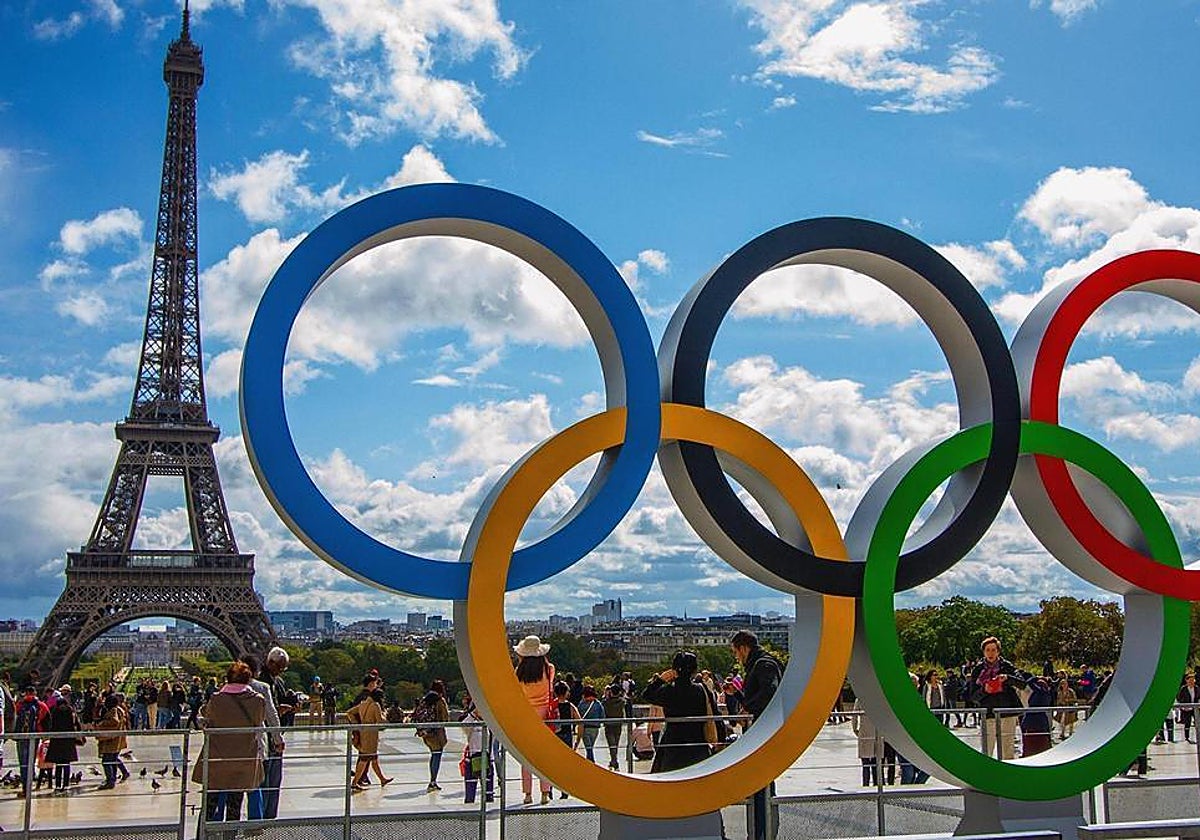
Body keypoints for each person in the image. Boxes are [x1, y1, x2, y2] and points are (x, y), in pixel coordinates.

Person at [193, 660, 266, 826]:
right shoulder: (257, 701)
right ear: (249, 679)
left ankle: (204, 836)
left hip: (217, 759)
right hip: (242, 760)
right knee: (235, 807)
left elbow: (207, 716)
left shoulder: (217, 699)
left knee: (209, 807)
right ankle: (230, 835)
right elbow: (258, 721)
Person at [731, 630, 782, 840]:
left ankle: (761, 833)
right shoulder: (762, 663)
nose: (736, 657)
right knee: (761, 787)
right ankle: (761, 832)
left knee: (761, 787)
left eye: (736, 652)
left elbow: (769, 692)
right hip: (762, 730)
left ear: (744, 648)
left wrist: (747, 709)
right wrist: (738, 696)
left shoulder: (763, 664)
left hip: (762, 733)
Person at [642, 650, 714, 773]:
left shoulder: (669, 691)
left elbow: (647, 695)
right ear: (694, 670)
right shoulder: (701, 690)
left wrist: (660, 680)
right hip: (697, 742)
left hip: (673, 743)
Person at [513, 634, 556, 804]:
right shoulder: (548, 669)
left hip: (526, 715)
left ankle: (527, 794)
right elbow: (550, 688)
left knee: (527, 758)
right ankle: (545, 792)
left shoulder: (519, 671)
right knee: (544, 757)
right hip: (545, 714)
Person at [970, 636, 1025, 761]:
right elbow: (972, 695)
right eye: (988, 650)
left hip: (1007, 712)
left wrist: (1008, 678)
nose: (991, 653)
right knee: (987, 750)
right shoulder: (978, 670)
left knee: (1008, 751)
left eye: (993, 650)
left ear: (998, 652)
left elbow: (1022, 683)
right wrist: (985, 690)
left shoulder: (1007, 666)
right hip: (988, 713)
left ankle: (1008, 777)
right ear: (983, 652)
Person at [242, 653, 283, 819]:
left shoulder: (223, 690)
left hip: (231, 745)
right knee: (257, 784)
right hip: (257, 744)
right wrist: (278, 739)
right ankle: (256, 822)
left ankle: (225, 825)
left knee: (231, 790)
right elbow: (272, 716)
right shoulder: (262, 688)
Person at [259, 646, 295, 819]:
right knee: (268, 780)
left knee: (272, 780)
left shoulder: (276, 681)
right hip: (268, 737)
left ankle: (268, 815)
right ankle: (265, 815)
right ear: (270, 662)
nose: (282, 671)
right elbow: (267, 712)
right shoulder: (262, 683)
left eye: (284, 668)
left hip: (274, 737)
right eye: (280, 667)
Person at [346, 687, 392, 790]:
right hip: (371, 734)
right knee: (364, 759)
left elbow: (349, 712)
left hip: (363, 732)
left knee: (373, 759)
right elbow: (380, 721)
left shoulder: (362, 703)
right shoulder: (375, 705)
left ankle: (382, 779)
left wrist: (357, 725)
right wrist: (387, 719)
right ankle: (354, 783)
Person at [12, 684, 48, 797]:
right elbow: (47, 720)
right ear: (35, 693)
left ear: (25, 693)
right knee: (31, 762)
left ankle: (24, 788)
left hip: (22, 737)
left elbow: (14, 718)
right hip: (34, 737)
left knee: (23, 763)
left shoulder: (20, 704)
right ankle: (29, 787)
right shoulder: (41, 705)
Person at [413, 687, 450, 793]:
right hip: (436, 734)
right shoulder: (439, 701)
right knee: (436, 756)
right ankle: (433, 781)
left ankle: (432, 780)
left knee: (433, 755)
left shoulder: (424, 700)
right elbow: (444, 718)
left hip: (426, 734)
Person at [460, 696, 495, 804]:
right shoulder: (471, 721)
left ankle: (487, 811)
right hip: (472, 758)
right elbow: (464, 726)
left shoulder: (490, 722)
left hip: (487, 759)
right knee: (470, 793)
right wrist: (473, 714)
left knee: (488, 794)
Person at [45, 684, 81, 792]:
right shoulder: (71, 711)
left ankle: (57, 785)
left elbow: (51, 725)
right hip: (68, 740)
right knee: (66, 764)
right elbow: (77, 725)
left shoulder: (55, 711)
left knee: (58, 764)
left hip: (57, 741)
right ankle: (66, 785)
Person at [552, 680, 582, 798]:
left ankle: (548, 789)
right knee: (565, 765)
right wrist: (578, 741)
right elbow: (580, 722)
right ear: (567, 693)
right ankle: (564, 792)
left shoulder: (552, 705)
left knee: (552, 764)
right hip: (567, 736)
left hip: (554, 736)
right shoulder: (570, 706)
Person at [94, 694, 124, 789]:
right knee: (112, 760)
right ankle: (112, 779)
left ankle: (110, 781)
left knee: (106, 761)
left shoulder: (113, 710)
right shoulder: (118, 709)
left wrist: (101, 724)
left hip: (110, 739)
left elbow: (115, 721)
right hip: (116, 739)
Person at [1021, 676, 1054, 756]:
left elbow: (1029, 681)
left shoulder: (1040, 691)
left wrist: (1036, 677)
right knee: (1042, 742)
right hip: (1042, 721)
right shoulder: (1048, 693)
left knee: (1032, 742)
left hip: (1032, 720)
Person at [852, 699, 881, 786]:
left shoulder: (860, 699)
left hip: (864, 733)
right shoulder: (877, 698)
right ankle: (877, 786)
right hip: (876, 734)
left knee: (865, 765)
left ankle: (866, 785)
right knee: (876, 764)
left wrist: (855, 729)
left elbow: (854, 716)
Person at [577, 685, 605, 763]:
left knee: (588, 748)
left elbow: (578, 715)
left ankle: (591, 762)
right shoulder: (597, 703)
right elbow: (602, 716)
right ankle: (590, 761)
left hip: (585, 727)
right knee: (590, 747)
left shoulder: (582, 703)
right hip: (595, 728)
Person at [601, 683, 625, 770]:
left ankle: (614, 761)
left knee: (611, 744)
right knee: (616, 744)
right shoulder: (622, 702)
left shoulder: (605, 702)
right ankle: (614, 761)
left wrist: (606, 695)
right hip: (618, 725)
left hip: (609, 725)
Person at [1055, 674, 1079, 741]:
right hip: (1062, 708)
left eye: (1065, 684)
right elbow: (1058, 699)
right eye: (1062, 684)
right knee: (1062, 721)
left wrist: (1068, 700)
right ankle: (1062, 733)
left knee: (1071, 721)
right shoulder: (1060, 692)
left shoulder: (1071, 691)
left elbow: (1075, 699)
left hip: (1070, 707)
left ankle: (1071, 733)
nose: (1064, 685)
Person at [1178, 673, 1199, 743]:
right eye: (1190, 680)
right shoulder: (1183, 688)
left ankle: (1198, 735)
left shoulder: (1197, 688)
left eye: (1193, 680)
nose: (1192, 682)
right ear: (1187, 681)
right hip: (1186, 708)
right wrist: (1183, 706)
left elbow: (1198, 697)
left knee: (1197, 722)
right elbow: (1179, 698)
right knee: (1187, 723)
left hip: (1195, 708)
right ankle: (1187, 737)